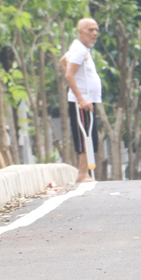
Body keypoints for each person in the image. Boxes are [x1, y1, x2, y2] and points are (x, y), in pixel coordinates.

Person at [62, 18, 102, 183]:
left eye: (96, 30)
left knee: (89, 136)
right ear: (80, 32)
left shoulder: (79, 49)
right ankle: (82, 175)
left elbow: (62, 61)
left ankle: (84, 174)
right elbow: (69, 74)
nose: (94, 33)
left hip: (87, 100)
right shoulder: (79, 51)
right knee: (85, 136)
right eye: (90, 30)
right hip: (82, 102)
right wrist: (81, 98)